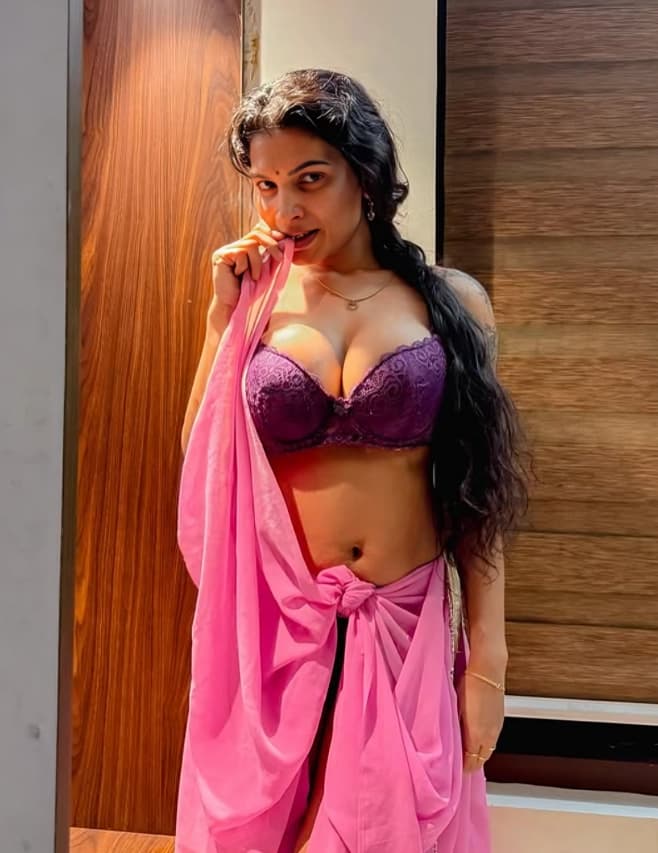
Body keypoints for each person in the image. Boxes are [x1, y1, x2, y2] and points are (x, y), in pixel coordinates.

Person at [178, 69, 529, 853]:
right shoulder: (253, 305)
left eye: (310, 179)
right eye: (266, 185)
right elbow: (202, 467)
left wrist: (488, 663)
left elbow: (477, 494)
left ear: (364, 175)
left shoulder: (450, 301)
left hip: (403, 626)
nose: (285, 210)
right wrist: (219, 319)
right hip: (276, 631)